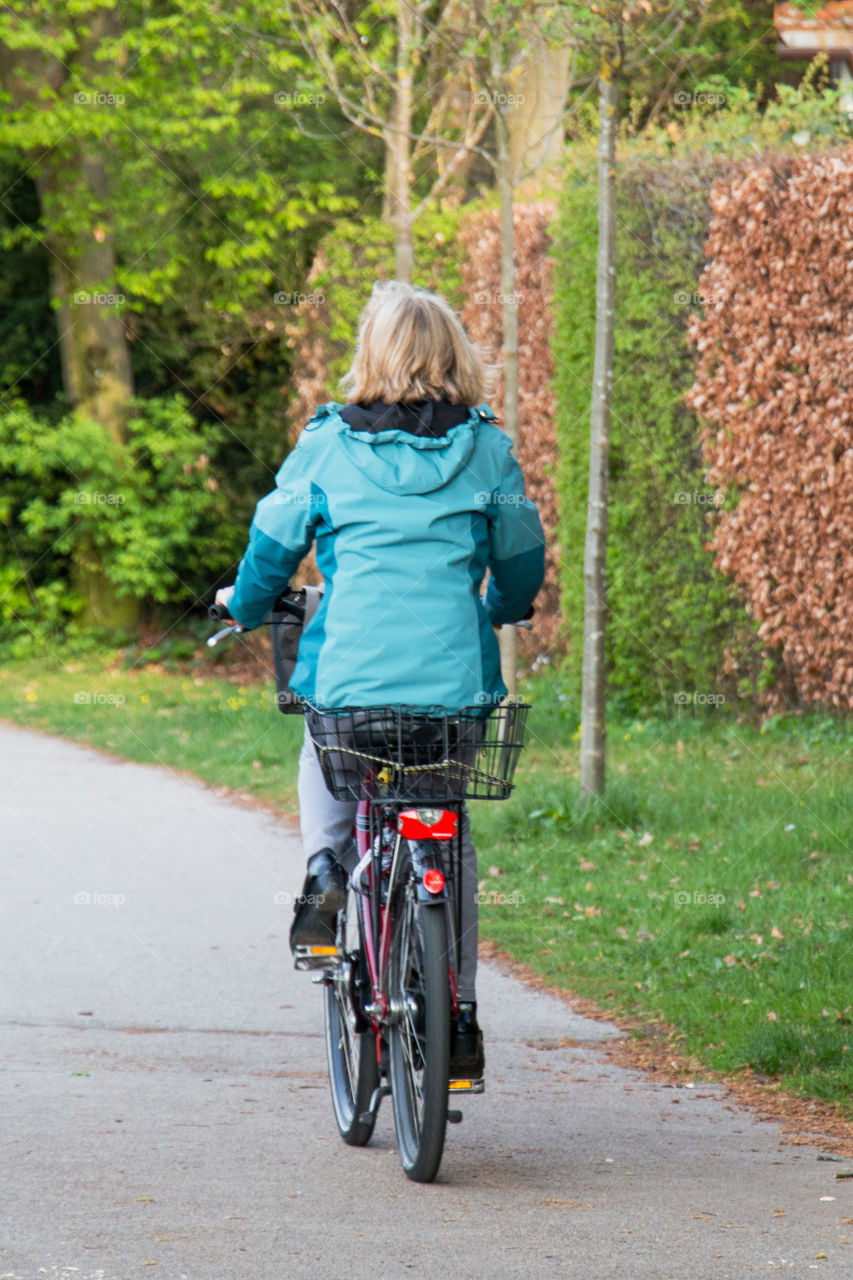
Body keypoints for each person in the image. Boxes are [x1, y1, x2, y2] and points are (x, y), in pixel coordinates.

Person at [217, 279, 545, 1075]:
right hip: (453, 696)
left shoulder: (326, 444)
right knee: (447, 835)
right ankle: (456, 1016)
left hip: (354, 688)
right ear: (454, 357)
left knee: (321, 740)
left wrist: (248, 603)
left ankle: (326, 873)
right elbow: (519, 559)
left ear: (371, 354)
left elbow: (271, 544)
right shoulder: (488, 449)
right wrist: (503, 605)